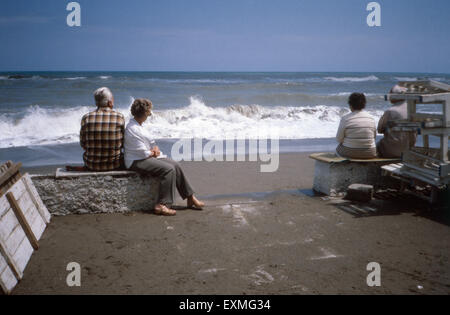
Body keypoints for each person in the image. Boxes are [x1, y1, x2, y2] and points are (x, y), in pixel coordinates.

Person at [124, 98, 204, 216]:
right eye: (148, 112)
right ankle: (162, 205)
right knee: (168, 169)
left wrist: (154, 149)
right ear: (144, 113)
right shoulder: (132, 129)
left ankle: (190, 197)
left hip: (146, 156)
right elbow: (140, 151)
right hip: (136, 161)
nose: (150, 114)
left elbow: (150, 143)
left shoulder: (139, 125)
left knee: (175, 165)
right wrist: (152, 152)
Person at [80, 87, 125, 171]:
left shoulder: (86, 117)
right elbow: (123, 142)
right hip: (115, 164)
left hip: (91, 164)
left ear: (96, 103)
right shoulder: (119, 117)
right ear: (110, 102)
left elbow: (83, 144)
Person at [377, 85, 417, 158]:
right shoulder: (411, 110)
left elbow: (379, 129)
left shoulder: (391, 111)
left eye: (390, 93)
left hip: (391, 151)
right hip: (408, 150)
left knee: (377, 145)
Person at [336, 92, 377, 159]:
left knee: (338, 149)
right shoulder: (371, 118)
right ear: (364, 104)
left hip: (350, 153)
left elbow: (339, 139)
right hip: (370, 153)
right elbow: (374, 137)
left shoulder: (345, 118)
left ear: (350, 105)